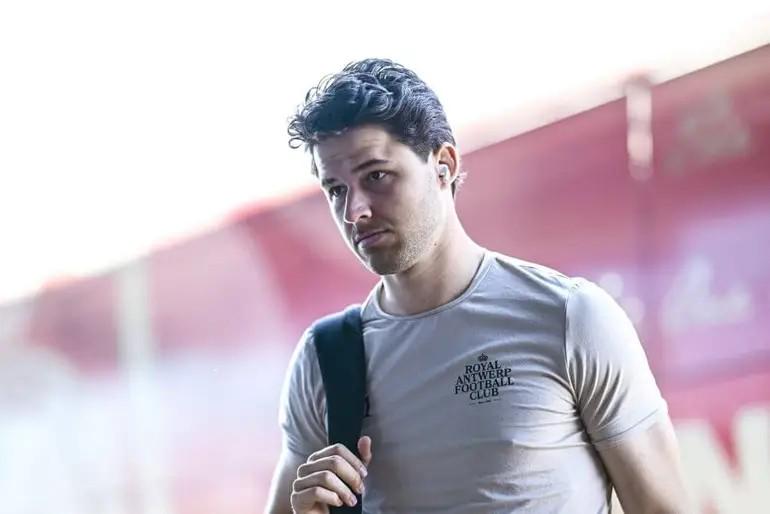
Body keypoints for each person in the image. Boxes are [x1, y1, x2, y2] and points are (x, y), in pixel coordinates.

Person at [264, 58, 689, 514]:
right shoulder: (325, 361)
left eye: (376, 176)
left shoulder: (570, 317)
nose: (355, 211)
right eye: (335, 189)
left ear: (443, 165)